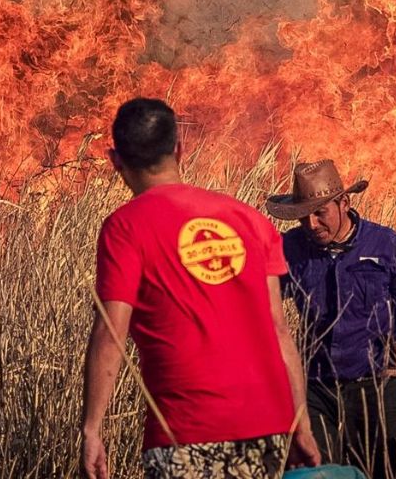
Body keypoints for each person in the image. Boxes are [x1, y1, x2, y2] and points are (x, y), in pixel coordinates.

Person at [79, 98, 321, 479]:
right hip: (268, 426)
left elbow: (111, 332)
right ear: (179, 149)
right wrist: (300, 423)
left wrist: (92, 429)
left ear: (116, 161)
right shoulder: (249, 219)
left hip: (186, 431)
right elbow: (279, 329)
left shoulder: (124, 228)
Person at [267, 160, 396, 479]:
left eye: (320, 212)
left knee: (391, 471)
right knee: (315, 473)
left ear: (344, 203)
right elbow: (260, 304)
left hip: (379, 386)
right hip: (318, 391)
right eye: (303, 217)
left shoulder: (386, 246)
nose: (311, 224)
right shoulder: (289, 250)